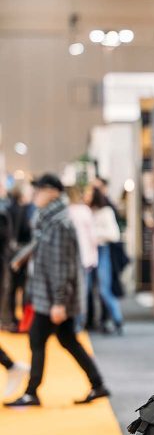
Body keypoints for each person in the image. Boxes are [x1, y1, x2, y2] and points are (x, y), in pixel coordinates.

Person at [4, 174, 110, 407]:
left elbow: (61, 266)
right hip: (50, 294)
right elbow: (41, 246)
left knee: (37, 338)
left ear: (52, 192)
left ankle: (32, 391)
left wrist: (59, 302)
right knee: (67, 339)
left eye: (39, 190)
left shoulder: (59, 223)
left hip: (54, 297)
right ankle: (98, 384)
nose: (35, 195)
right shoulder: (49, 219)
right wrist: (21, 258)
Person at [89, 187, 124, 334]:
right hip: (90, 252)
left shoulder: (106, 212)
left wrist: (95, 235)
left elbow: (113, 234)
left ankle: (117, 319)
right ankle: (100, 321)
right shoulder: (88, 211)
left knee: (104, 289)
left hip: (103, 250)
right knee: (90, 289)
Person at [0, 183, 34, 331]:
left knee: (11, 289)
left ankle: (11, 319)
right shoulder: (17, 210)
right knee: (13, 288)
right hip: (15, 255)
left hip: (11, 254)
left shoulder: (11, 208)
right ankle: (11, 320)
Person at [65, 187, 98, 331]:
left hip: (71, 258)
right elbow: (93, 236)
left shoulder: (66, 212)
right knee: (83, 291)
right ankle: (80, 322)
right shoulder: (84, 211)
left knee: (71, 291)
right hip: (85, 257)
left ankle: (74, 321)